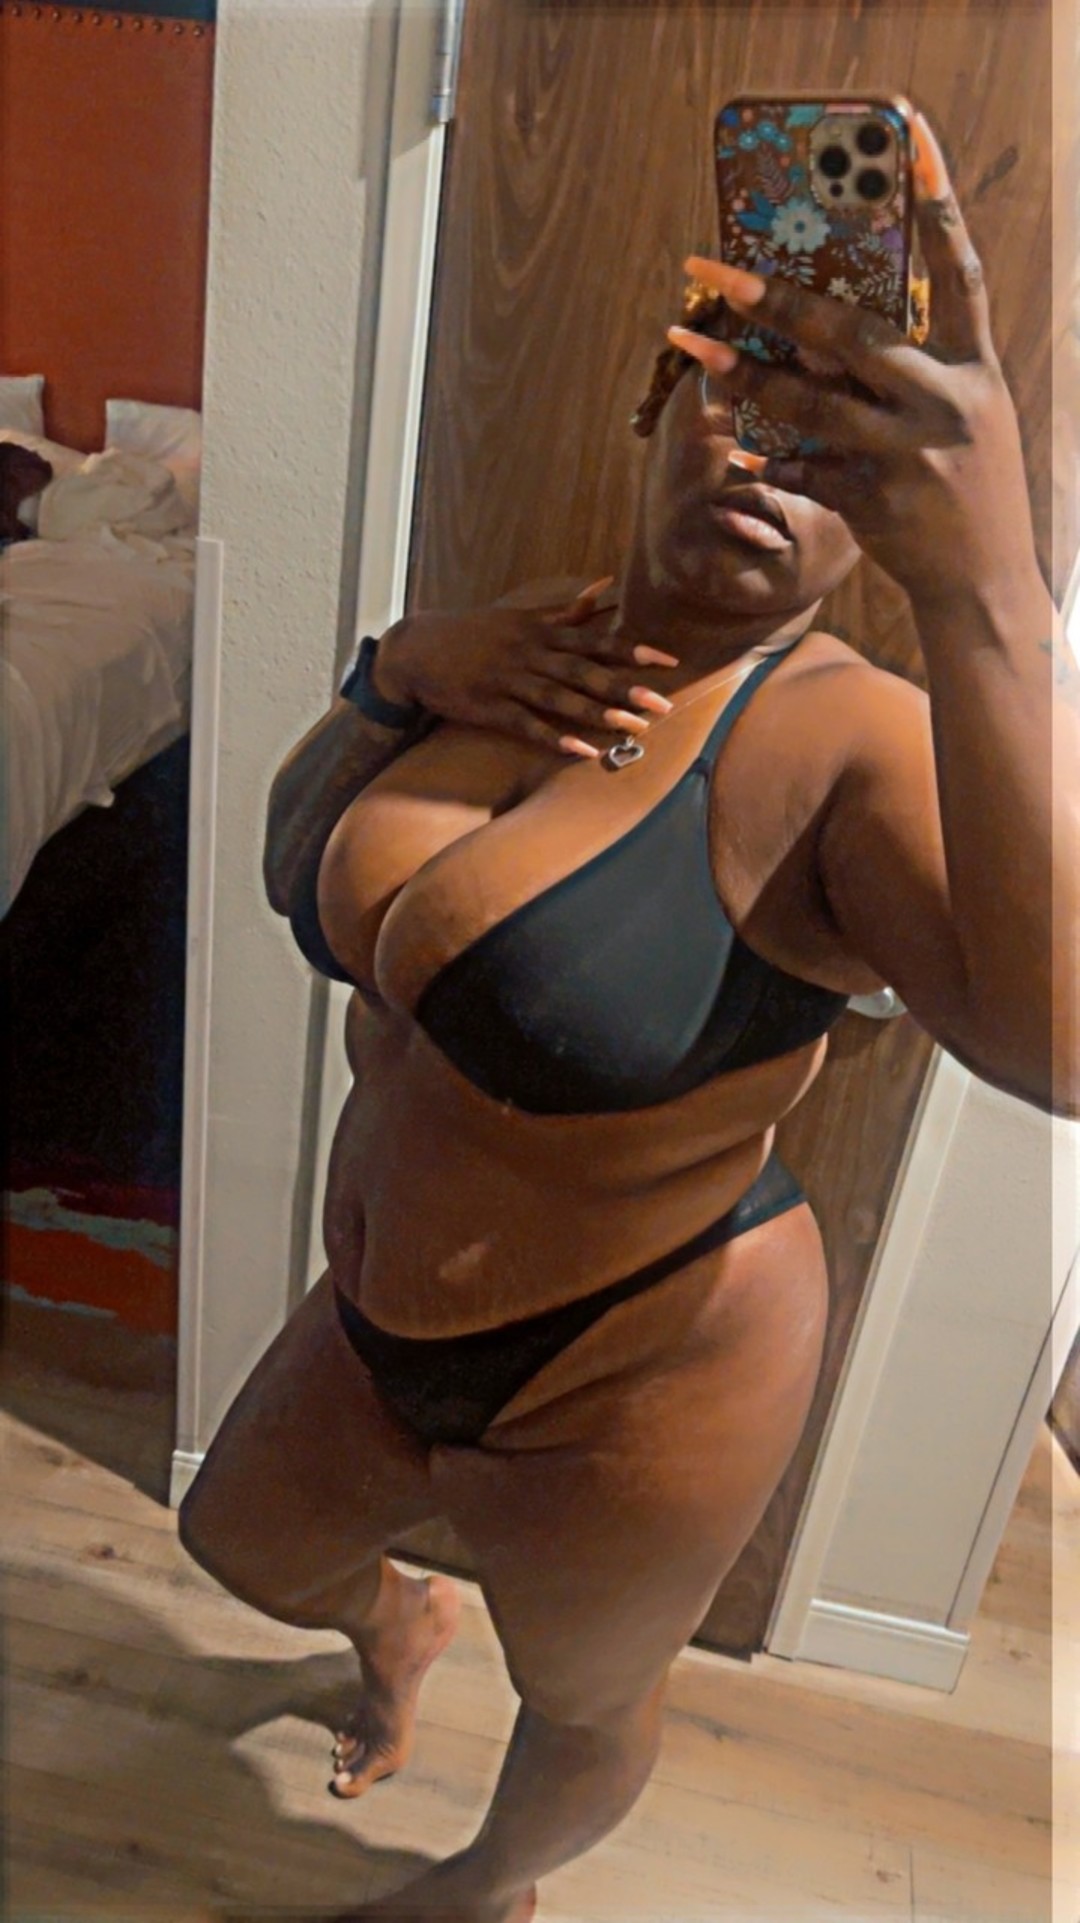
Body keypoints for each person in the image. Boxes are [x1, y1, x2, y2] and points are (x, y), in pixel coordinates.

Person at [179, 114, 1076, 1923]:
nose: (773, 466)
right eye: (748, 397)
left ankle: (486, 1891)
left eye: (837, 452)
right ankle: (396, 1626)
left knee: (584, 1706)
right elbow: (290, 861)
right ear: (659, 402)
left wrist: (991, 590)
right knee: (239, 1543)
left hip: (641, 1357)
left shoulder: (850, 744)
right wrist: (393, 670)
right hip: (378, 1306)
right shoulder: (536, 635)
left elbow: (1061, 1053)